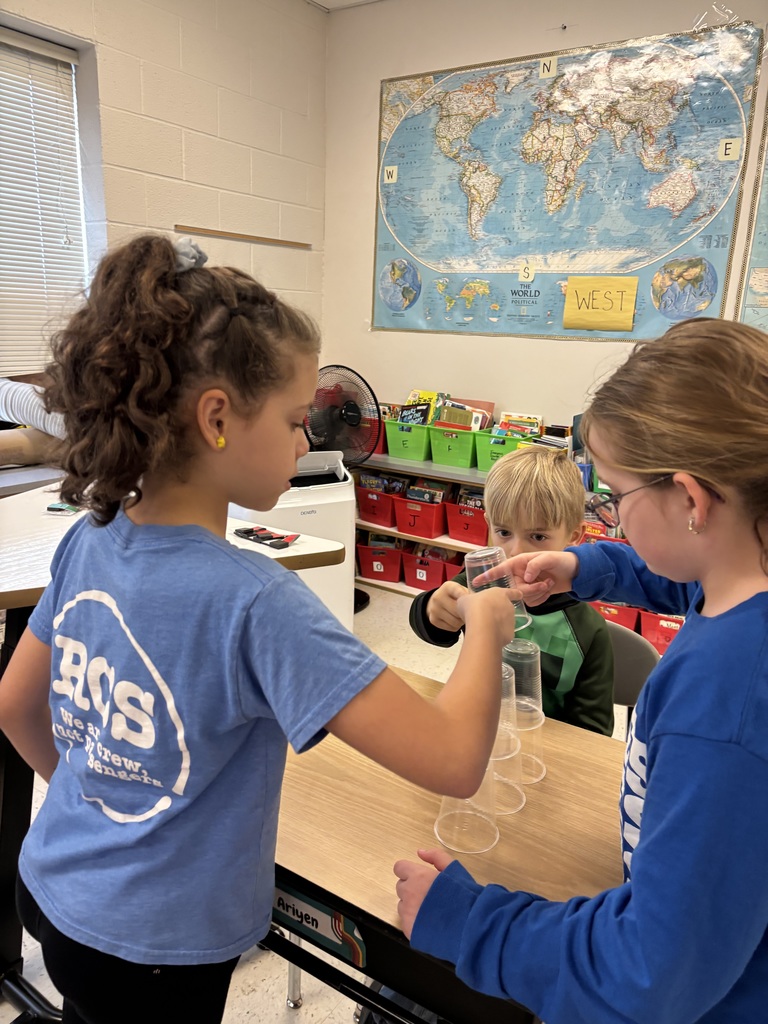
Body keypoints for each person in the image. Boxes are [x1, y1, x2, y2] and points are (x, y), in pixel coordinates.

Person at [0, 233, 520, 1024]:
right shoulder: (257, 601)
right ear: (216, 418)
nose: (308, 440)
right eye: (293, 419)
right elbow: (452, 760)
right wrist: (484, 619)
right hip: (159, 952)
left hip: (53, 889)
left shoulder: (89, 537)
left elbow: (14, 706)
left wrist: (104, 805)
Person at [393, 318, 768, 1024]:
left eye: (616, 498)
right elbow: (688, 580)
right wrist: (580, 564)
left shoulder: (725, 701)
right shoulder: (744, 575)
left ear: (690, 500)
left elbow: (649, 973)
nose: (612, 516)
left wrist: (473, 924)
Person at [409, 446, 614, 735]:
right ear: (488, 525)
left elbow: (593, 732)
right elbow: (434, 631)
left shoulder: (590, 631)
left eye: (538, 536)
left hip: (543, 748)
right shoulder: (479, 584)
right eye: (504, 532)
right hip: (477, 729)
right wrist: (432, 608)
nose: (515, 552)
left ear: (574, 537)